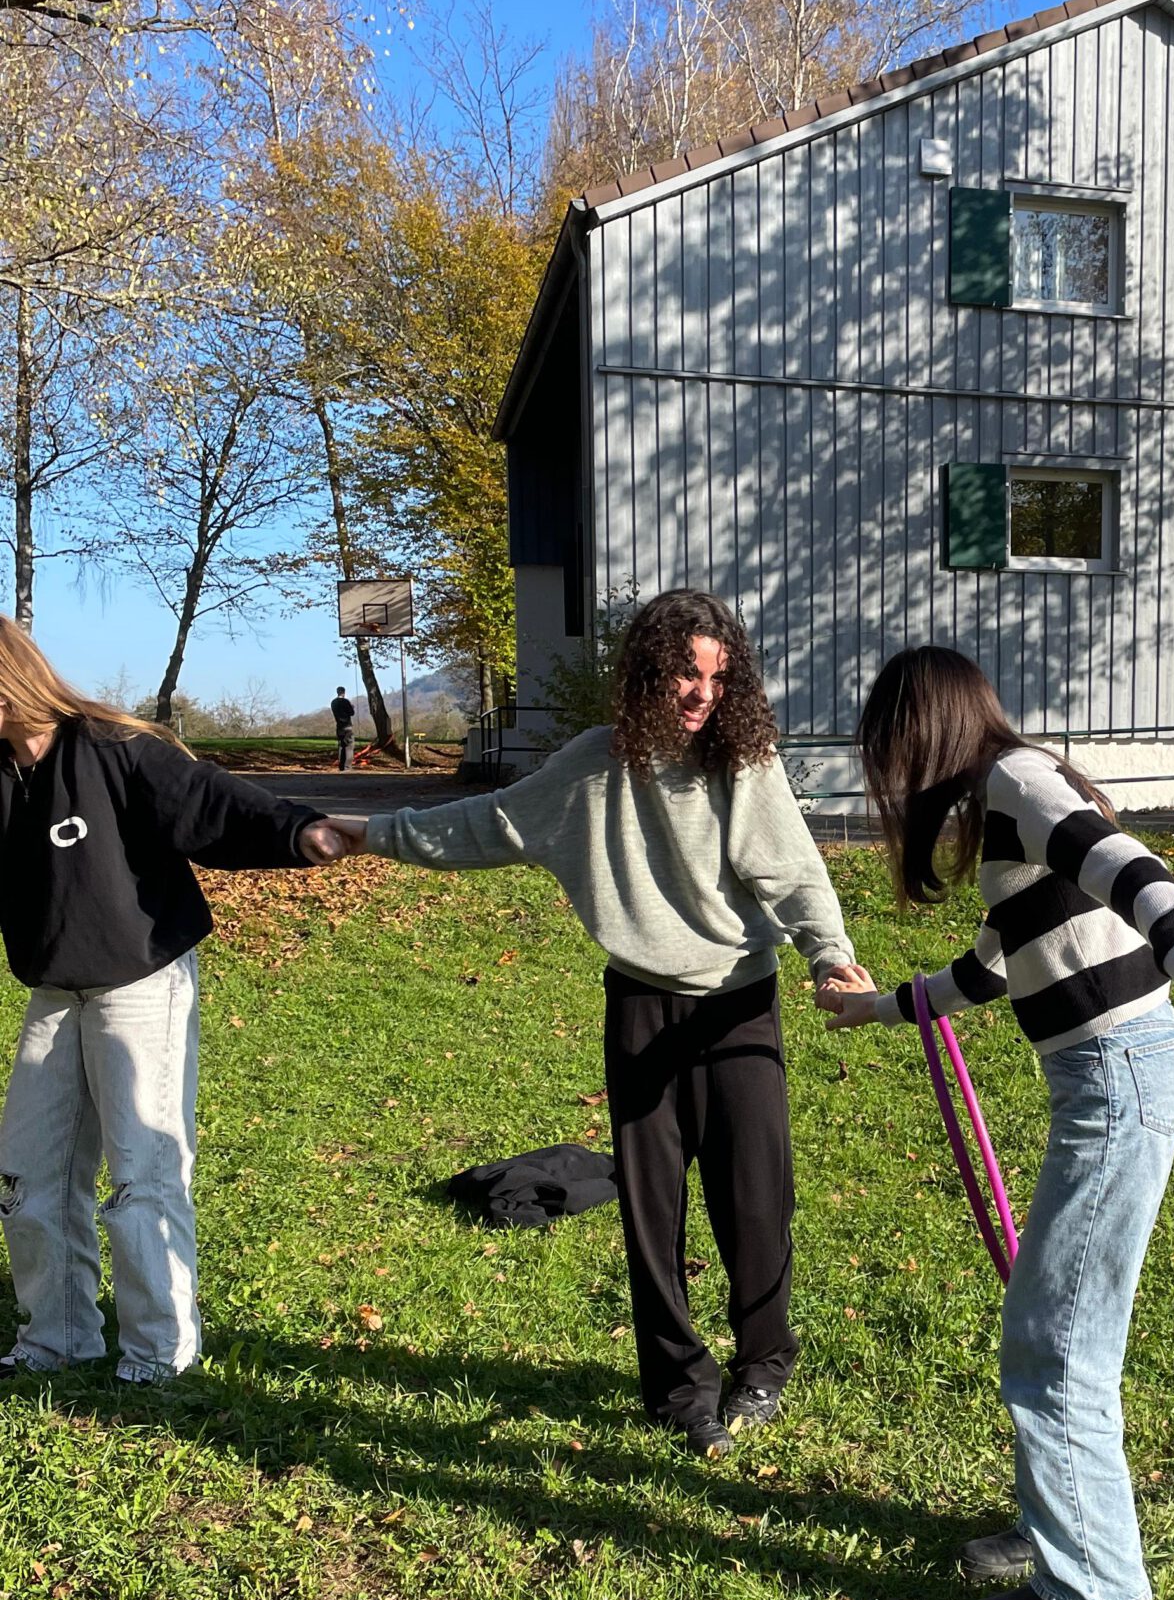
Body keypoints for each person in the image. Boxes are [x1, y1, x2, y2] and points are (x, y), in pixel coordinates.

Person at [325, 591, 868, 1458]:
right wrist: (367, 832)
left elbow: (794, 873)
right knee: (651, 1209)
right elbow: (483, 825)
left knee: (755, 1200)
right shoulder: (592, 765)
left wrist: (829, 956)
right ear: (648, 672)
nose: (703, 694)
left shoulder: (743, 763)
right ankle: (679, 1388)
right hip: (642, 1003)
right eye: (686, 673)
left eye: (719, 678)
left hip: (739, 1004)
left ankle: (764, 1363)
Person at [816, 646, 1174, 1600]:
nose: (892, 770)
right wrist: (875, 1011)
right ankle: (1055, 1526)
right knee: (1054, 1320)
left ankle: (1095, 1586)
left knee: (1057, 1334)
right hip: (1105, 1076)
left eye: (891, 745)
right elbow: (990, 970)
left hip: (1119, 1074)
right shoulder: (1007, 812)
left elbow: (1129, 868)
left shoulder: (1019, 781)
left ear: (923, 728)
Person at [0, 619, 348, 1383]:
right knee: (27, 1178)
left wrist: (300, 832)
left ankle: (159, 1354)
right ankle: (58, 1340)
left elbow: (209, 803)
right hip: (53, 990)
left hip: (140, 979)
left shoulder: (112, 748)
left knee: (141, 1173)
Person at [331, 687, 357, 772]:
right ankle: (347, 766)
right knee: (349, 746)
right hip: (347, 726)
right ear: (344, 693)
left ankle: (341, 766)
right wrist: (352, 707)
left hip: (339, 726)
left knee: (341, 746)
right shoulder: (346, 701)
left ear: (337, 692)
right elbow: (352, 713)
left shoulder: (333, 702)